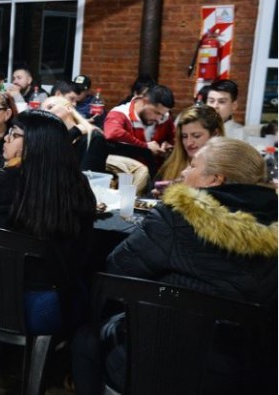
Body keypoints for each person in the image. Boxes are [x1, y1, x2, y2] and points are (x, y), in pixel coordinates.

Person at [72, 137, 277, 395]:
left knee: (85, 339)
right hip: (242, 373)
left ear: (215, 179)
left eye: (192, 165)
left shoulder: (175, 219)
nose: (183, 172)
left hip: (158, 361)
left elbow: (117, 273)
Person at [0, 110, 97, 334]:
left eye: (13, 135)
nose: (5, 138)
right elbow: (83, 253)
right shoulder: (77, 187)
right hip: (49, 305)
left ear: (34, 143)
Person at [103, 84, 176, 159]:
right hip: (127, 167)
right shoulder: (120, 113)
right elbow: (112, 133)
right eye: (156, 112)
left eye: (162, 115)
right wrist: (145, 146)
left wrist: (169, 146)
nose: (158, 119)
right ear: (144, 101)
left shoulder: (165, 118)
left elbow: (176, 139)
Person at [156, 105, 225, 184]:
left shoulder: (228, 169)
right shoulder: (170, 164)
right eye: (184, 136)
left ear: (215, 134)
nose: (189, 143)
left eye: (196, 136)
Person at [42, 96, 108, 173]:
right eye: (43, 110)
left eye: (50, 107)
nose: (45, 112)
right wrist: (74, 132)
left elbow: (86, 175)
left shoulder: (93, 137)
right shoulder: (50, 139)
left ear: (68, 108)